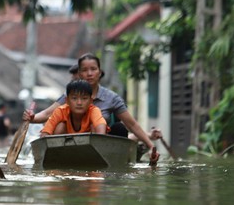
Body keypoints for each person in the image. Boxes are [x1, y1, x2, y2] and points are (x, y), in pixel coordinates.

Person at [24, 52, 160, 162]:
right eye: (84, 70)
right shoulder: (67, 99)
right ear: (79, 74)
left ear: (99, 72)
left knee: (119, 128)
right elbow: (49, 115)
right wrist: (32, 118)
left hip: (100, 145)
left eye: (93, 69)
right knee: (59, 124)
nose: (89, 74)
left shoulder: (107, 100)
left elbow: (132, 125)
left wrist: (151, 146)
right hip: (70, 144)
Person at [40, 79, 107, 137]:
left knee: (94, 127)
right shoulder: (61, 111)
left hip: (89, 148)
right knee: (60, 126)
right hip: (64, 146)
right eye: (74, 98)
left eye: (84, 98)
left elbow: (101, 127)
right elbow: (46, 131)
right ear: (67, 100)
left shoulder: (94, 110)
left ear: (91, 101)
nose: (79, 103)